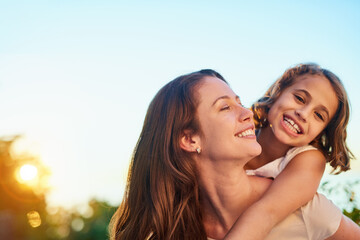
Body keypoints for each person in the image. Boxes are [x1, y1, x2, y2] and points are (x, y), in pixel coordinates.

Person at [109, 69, 360, 240]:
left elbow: (268, 212)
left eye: (319, 115)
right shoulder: (176, 219)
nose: (246, 114)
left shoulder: (305, 183)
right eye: (226, 106)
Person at [223, 63, 356, 240]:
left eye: (319, 115)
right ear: (278, 92)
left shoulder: (308, 159)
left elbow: (267, 212)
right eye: (300, 99)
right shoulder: (237, 133)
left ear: (321, 132)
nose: (304, 113)